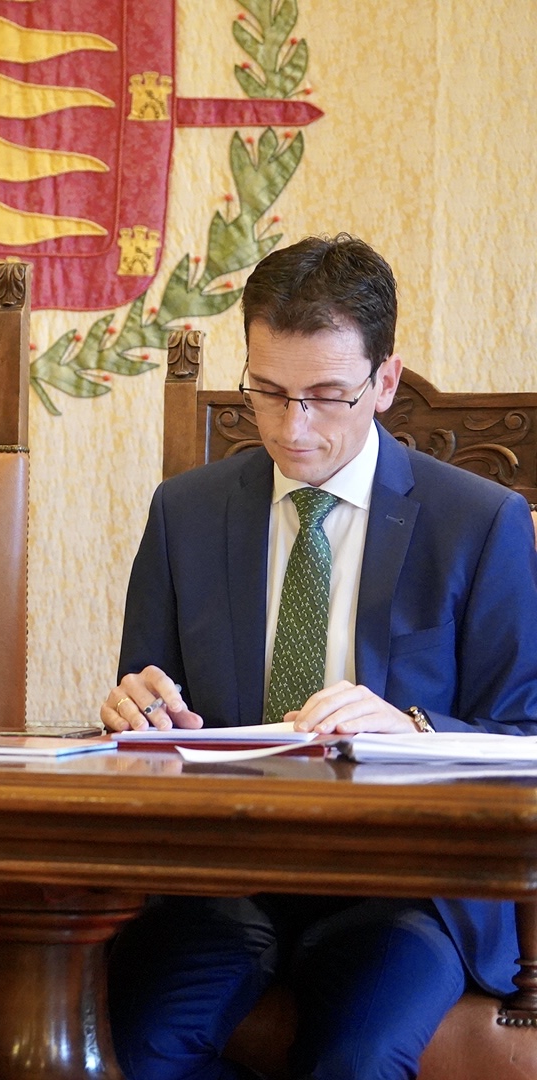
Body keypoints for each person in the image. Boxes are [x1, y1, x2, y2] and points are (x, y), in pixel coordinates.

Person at [101, 235, 537, 1080]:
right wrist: (134, 710)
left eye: (327, 397)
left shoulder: (479, 523)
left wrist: (414, 730)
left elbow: (525, 735)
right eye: (268, 392)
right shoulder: (185, 513)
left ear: (386, 381)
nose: (291, 427)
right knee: (143, 1051)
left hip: (405, 888)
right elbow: (146, 708)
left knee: (357, 1059)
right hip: (222, 878)